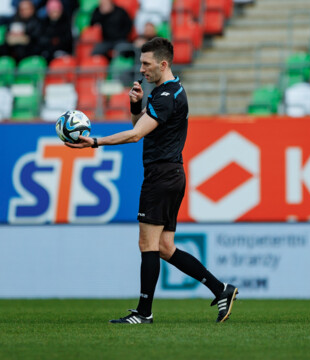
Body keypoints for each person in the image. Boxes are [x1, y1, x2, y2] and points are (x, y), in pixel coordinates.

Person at [65, 37, 238, 324]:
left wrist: (94, 142)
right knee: (165, 247)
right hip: (170, 174)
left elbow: (135, 135)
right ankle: (221, 289)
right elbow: (140, 126)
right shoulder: (162, 93)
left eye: (146, 64)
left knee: (148, 244)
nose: (141, 69)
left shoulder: (167, 95)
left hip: (161, 176)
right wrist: (136, 106)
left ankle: (144, 313)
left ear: (163, 63)